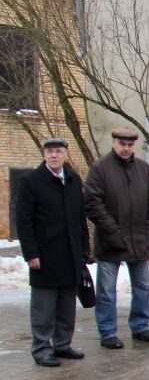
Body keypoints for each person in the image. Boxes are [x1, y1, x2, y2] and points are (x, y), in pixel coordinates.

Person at [84, 127, 149, 349]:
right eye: (122, 144)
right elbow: (93, 204)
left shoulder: (143, 169)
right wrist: (113, 231)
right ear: (114, 143)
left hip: (139, 240)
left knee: (143, 287)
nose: (126, 149)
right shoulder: (100, 169)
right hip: (111, 241)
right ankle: (107, 332)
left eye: (129, 145)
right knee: (107, 290)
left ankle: (140, 326)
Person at [16, 137, 90, 366]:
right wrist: (31, 253)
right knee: (44, 307)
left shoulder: (72, 179)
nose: (54, 155)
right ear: (44, 155)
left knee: (67, 305)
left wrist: (84, 249)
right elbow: (24, 221)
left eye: (58, 151)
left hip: (70, 253)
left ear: (66, 154)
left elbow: (80, 218)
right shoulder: (32, 181)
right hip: (45, 255)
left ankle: (63, 344)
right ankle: (41, 348)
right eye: (50, 152)